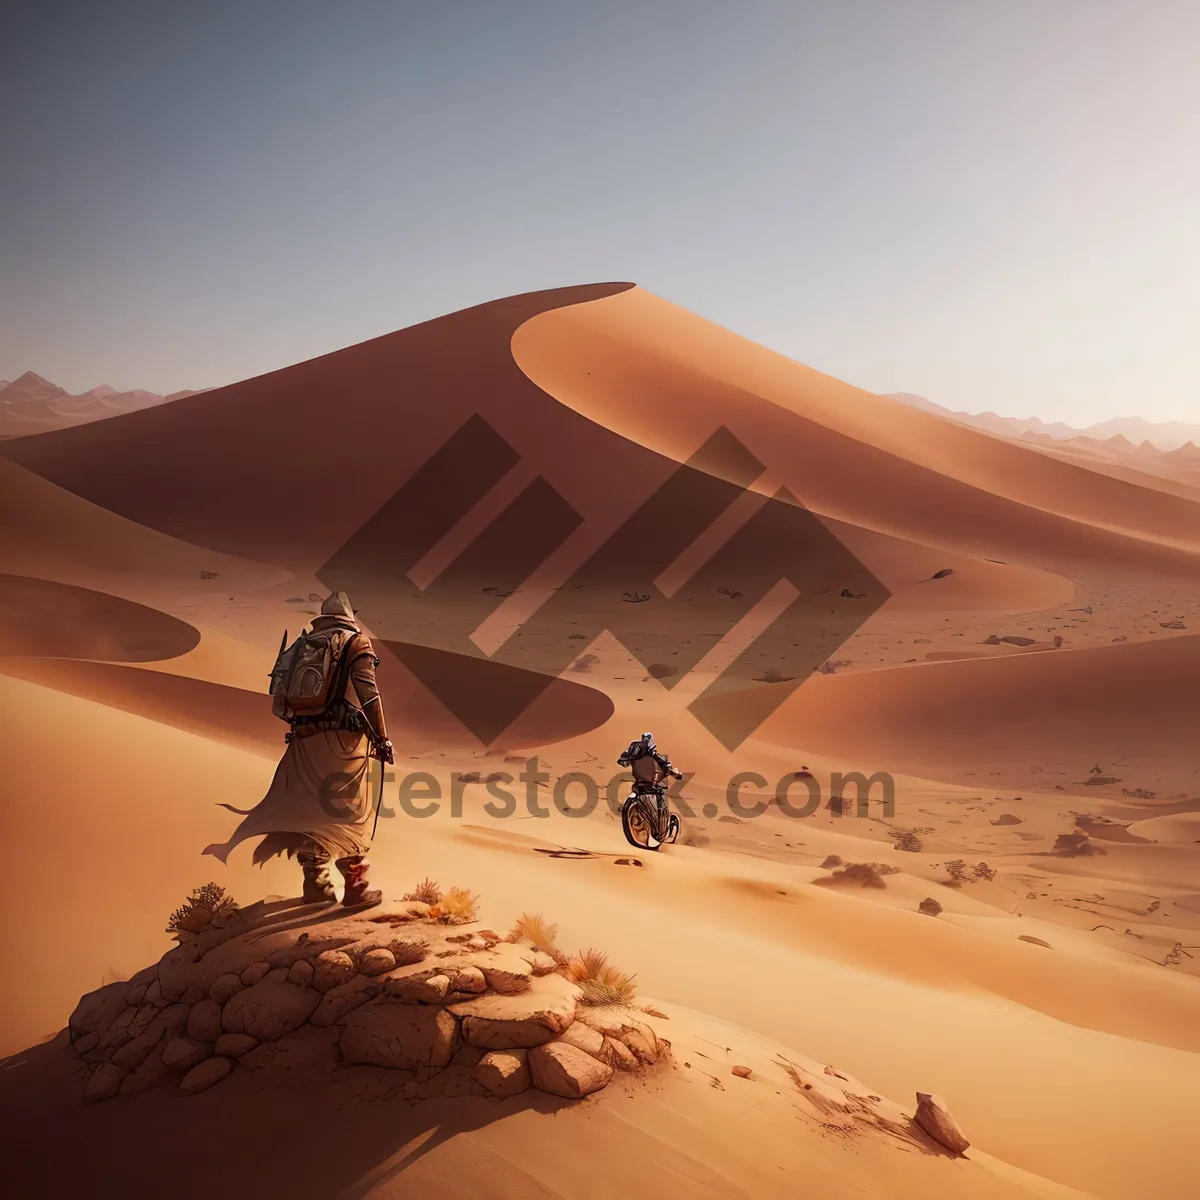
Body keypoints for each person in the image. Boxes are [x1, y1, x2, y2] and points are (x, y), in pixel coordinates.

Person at [204, 591, 393, 907]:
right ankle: (356, 888)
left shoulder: (307, 645)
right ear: (349, 616)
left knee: (313, 813)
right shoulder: (355, 644)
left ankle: (316, 886)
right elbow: (369, 695)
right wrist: (382, 736)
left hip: (304, 740)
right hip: (342, 742)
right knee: (349, 811)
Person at [617, 731, 682, 832]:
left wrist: (674, 773)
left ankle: (662, 824)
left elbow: (668, 768)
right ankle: (654, 819)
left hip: (648, 784)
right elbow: (624, 760)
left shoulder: (650, 756)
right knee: (659, 792)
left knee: (661, 794)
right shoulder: (643, 753)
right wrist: (675, 774)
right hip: (643, 784)